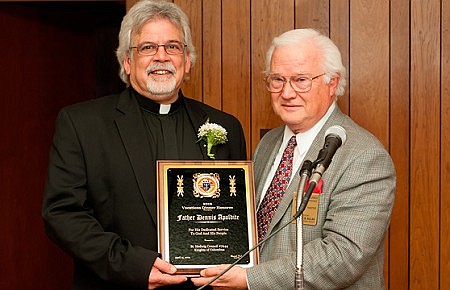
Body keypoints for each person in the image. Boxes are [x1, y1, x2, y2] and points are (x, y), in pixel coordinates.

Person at [41, 0, 247, 289]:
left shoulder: (226, 127)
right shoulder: (82, 123)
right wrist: (131, 265)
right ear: (127, 61)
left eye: (173, 47)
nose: (161, 57)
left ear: (187, 61)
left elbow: (235, 218)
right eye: (148, 47)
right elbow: (62, 215)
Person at [192, 28, 396, 289]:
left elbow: (343, 255)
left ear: (332, 83)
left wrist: (249, 279)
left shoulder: (364, 157)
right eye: (277, 79)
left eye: (301, 80)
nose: (287, 93)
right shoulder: (269, 143)